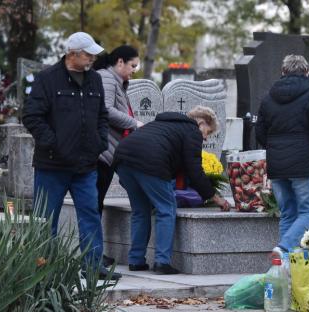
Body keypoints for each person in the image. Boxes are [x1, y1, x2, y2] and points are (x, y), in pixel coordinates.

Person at [22, 32, 121, 280]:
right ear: (72, 53)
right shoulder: (47, 79)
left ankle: (94, 266)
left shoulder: (95, 80)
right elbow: (32, 116)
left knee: (90, 215)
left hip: (86, 165)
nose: (92, 59)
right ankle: (43, 268)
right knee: (46, 220)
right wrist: (53, 144)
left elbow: (101, 116)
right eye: (88, 54)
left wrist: (99, 143)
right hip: (52, 165)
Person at [113, 106, 231, 274]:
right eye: (207, 131)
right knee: (166, 209)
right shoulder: (192, 130)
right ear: (201, 122)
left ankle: (136, 260)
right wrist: (215, 197)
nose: (205, 137)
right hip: (151, 162)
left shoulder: (162, 124)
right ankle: (162, 262)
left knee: (140, 210)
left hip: (122, 159)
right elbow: (194, 169)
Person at [255, 54, 309, 252]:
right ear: (307, 72)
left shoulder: (268, 97)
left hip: (278, 164)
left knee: (288, 213)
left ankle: (284, 265)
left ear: (283, 72)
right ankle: (284, 247)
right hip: (303, 162)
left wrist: (275, 149)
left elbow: (260, 132)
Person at [93, 45, 143, 267]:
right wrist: (134, 123)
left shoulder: (117, 81)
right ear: (120, 62)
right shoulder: (107, 78)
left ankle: (95, 254)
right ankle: (93, 255)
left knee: (97, 203)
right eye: (132, 65)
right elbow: (105, 109)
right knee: (94, 205)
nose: (134, 70)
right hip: (102, 152)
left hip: (111, 151)